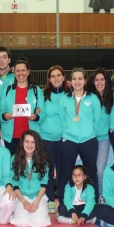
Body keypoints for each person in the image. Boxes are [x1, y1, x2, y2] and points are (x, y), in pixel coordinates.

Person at [58, 67, 101, 202]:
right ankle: (64, 203)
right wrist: (69, 132)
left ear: (85, 80)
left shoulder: (93, 98)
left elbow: (97, 120)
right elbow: (62, 120)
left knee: (91, 173)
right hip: (69, 140)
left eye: (80, 79)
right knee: (66, 173)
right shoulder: (64, 99)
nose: (77, 82)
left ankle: (93, 202)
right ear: (71, 81)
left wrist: (90, 132)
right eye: (74, 79)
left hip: (89, 140)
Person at [39, 65, 70, 213]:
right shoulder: (43, 94)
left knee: (63, 171)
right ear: (49, 79)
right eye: (53, 76)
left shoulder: (70, 94)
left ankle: (63, 201)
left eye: (59, 75)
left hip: (64, 139)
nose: (56, 78)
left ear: (63, 77)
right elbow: (39, 115)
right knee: (48, 171)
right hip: (46, 139)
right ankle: (50, 200)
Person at [0, 58, 44, 156]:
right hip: (11, 137)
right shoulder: (7, 90)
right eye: (18, 71)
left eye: (23, 70)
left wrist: (35, 117)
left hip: (31, 138)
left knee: (30, 163)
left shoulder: (37, 91)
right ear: (14, 72)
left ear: (28, 72)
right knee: (13, 163)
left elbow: (43, 114)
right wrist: (4, 116)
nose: (20, 73)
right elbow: (0, 111)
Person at [10, 130, 52, 227]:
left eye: (33, 142)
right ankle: (18, 213)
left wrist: (36, 202)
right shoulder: (15, 159)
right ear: (22, 143)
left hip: (38, 197)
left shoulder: (43, 161)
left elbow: (44, 184)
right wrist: (24, 201)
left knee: (40, 223)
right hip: (21, 197)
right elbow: (15, 184)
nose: (30, 145)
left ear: (37, 144)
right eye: (27, 141)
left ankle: (37, 213)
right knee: (22, 224)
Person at [85, 68, 113, 203]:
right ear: (93, 82)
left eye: (102, 79)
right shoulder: (89, 98)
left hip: (104, 139)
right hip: (89, 139)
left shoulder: (111, 98)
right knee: (89, 170)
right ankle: (90, 196)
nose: (99, 82)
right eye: (96, 80)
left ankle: (101, 196)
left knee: (100, 170)